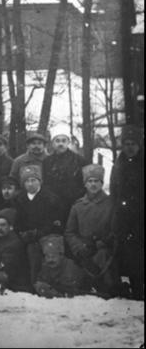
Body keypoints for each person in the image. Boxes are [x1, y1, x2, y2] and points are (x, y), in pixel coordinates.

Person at [65, 164, 119, 296]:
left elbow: (116, 229)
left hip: (104, 249)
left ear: (101, 183)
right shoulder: (78, 206)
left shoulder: (111, 203)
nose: (93, 184)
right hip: (84, 250)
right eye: (90, 181)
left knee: (102, 261)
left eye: (96, 181)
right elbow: (69, 232)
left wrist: (106, 242)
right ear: (85, 184)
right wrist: (78, 247)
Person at [12, 164, 63, 287]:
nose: (30, 184)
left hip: (46, 235)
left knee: (35, 252)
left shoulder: (51, 198)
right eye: (27, 181)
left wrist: (37, 233)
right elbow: (17, 220)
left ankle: (37, 285)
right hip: (25, 236)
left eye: (33, 180)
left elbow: (54, 223)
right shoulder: (19, 198)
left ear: (39, 181)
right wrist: (22, 233)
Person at [110, 125, 143, 300]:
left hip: (141, 215)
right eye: (126, 143)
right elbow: (114, 191)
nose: (130, 147)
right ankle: (136, 289)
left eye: (134, 144)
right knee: (129, 254)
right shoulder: (119, 164)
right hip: (124, 216)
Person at [42, 129, 86, 224]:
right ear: (52, 143)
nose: (60, 144)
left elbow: (84, 183)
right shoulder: (47, 162)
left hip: (74, 203)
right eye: (57, 141)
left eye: (63, 140)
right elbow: (45, 183)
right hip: (53, 204)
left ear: (68, 142)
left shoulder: (79, 160)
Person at [0, 208, 28, 291]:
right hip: (2, 278)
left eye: (3, 225)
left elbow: (7, 271)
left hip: (16, 285)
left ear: (11, 227)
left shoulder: (14, 244)